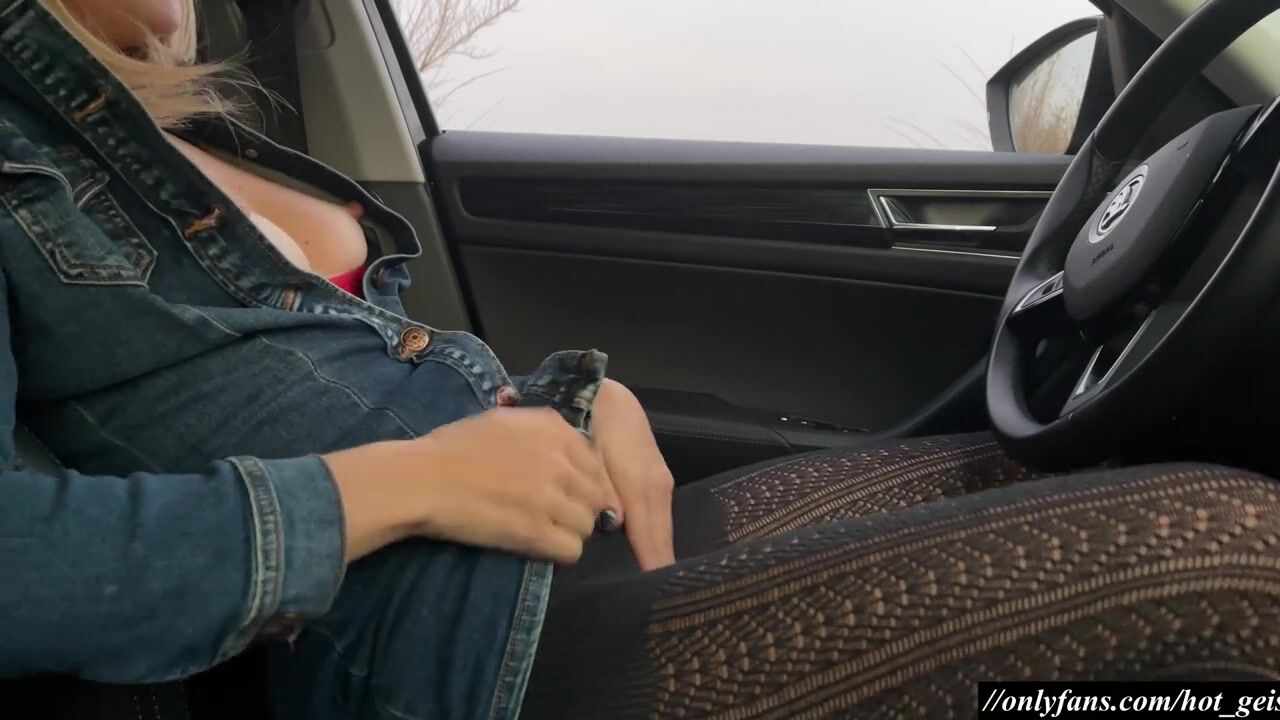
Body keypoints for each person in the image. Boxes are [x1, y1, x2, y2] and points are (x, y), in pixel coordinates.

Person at [2, 1, 1279, 719]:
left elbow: (305, 380)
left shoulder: (134, 131)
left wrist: (564, 403)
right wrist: (409, 485)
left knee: (1020, 471)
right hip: (453, 652)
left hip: (567, 552)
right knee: (1238, 555)